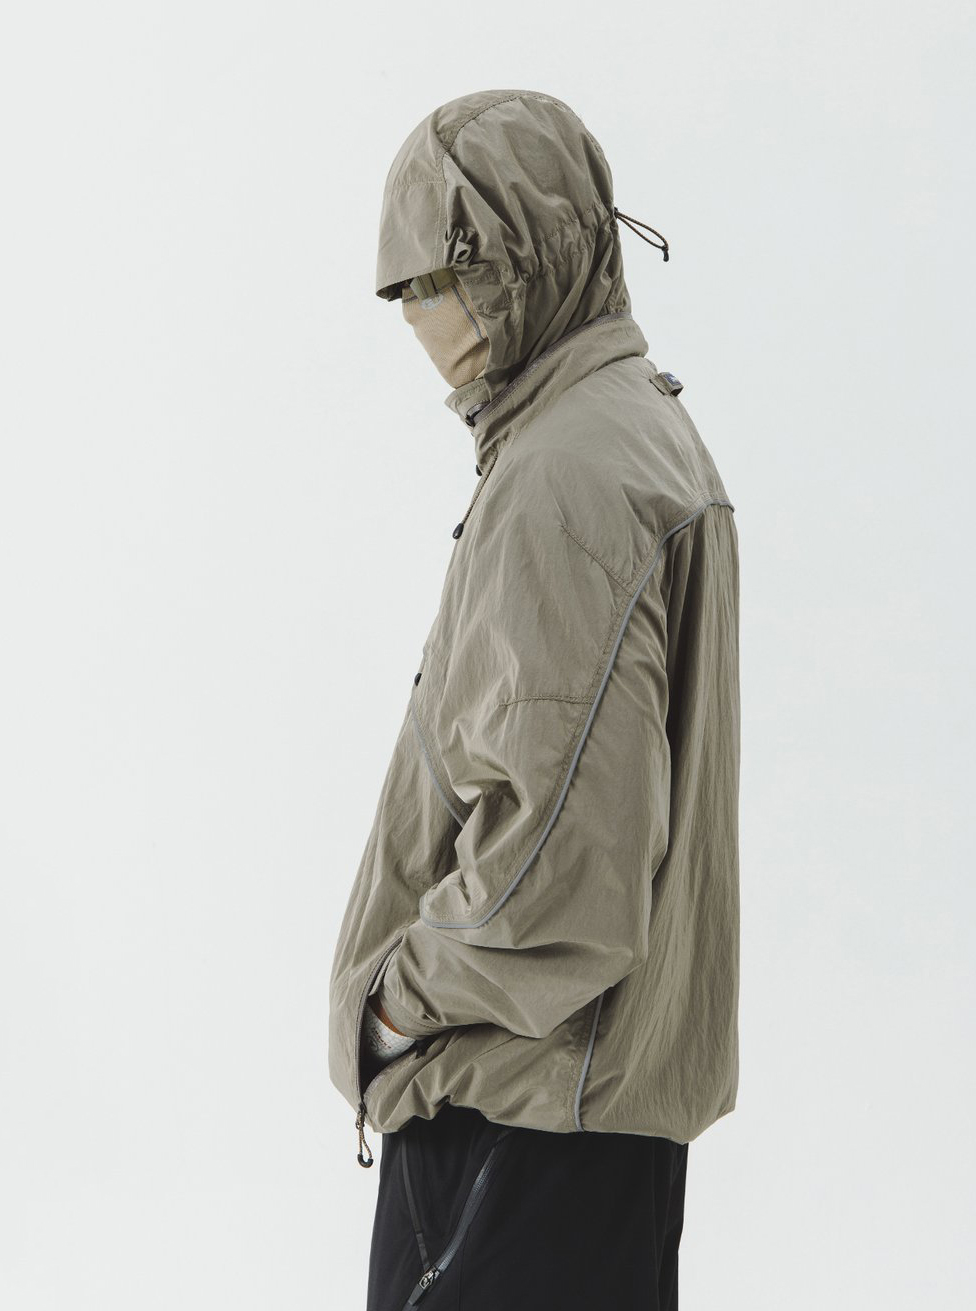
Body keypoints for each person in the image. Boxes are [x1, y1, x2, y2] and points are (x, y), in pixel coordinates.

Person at [327, 88, 741, 1310]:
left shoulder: (564, 475)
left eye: (439, 281)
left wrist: (392, 1004)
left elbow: (568, 871)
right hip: (588, 1130)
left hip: (511, 1118)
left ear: (519, 258)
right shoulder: (640, 434)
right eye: (404, 294)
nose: (423, 324)